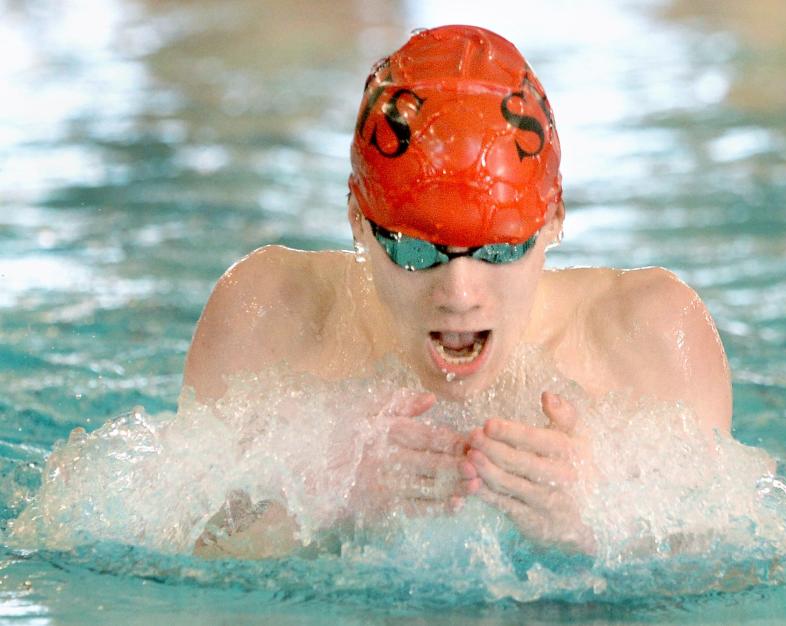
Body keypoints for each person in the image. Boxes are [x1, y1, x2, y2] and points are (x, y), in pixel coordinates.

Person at [183, 25, 731, 558]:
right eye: (417, 251)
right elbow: (181, 572)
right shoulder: (268, 316)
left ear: (555, 219)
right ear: (357, 221)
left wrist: (604, 525)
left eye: (498, 250)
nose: (459, 293)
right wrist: (323, 499)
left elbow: (731, 584)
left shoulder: (650, 340)